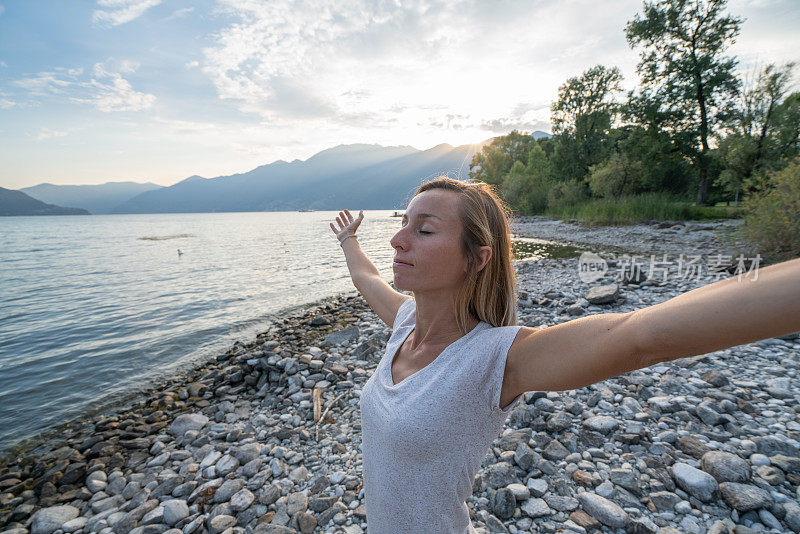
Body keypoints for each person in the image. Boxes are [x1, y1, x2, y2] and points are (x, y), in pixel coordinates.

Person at [329, 175, 800, 533]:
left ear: (477, 258)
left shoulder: (499, 358)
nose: (398, 239)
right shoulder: (406, 322)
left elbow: (643, 336)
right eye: (403, 223)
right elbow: (368, 279)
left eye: (424, 230)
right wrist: (350, 238)